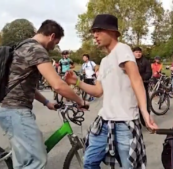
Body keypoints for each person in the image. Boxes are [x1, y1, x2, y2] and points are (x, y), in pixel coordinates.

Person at [64, 14, 157, 169]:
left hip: (124, 123)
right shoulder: (105, 61)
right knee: (89, 162)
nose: (95, 35)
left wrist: (145, 112)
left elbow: (136, 80)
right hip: (104, 122)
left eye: (99, 30)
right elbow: (98, 90)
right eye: (94, 31)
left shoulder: (122, 49)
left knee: (129, 166)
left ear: (113, 32)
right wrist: (77, 82)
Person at [0, 20, 86, 169]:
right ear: (51, 36)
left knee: (24, 161)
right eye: (56, 43)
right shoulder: (37, 50)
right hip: (16, 111)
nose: (54, 46)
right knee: (36, 160)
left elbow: (24, 84)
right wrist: (80, 100)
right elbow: (57, 85)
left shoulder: (23, 46)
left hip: (8, 109)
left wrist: (46, 102)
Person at [133, 46, 152, 127]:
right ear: (133, 53)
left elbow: (149, 73)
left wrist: (140, 79)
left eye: (139, 52)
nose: (138, 54)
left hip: (143, 85)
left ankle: (146, 122)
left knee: (144, 104)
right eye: (136, 52)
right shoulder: (130, 62)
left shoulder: (146, 61)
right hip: (131, 86)